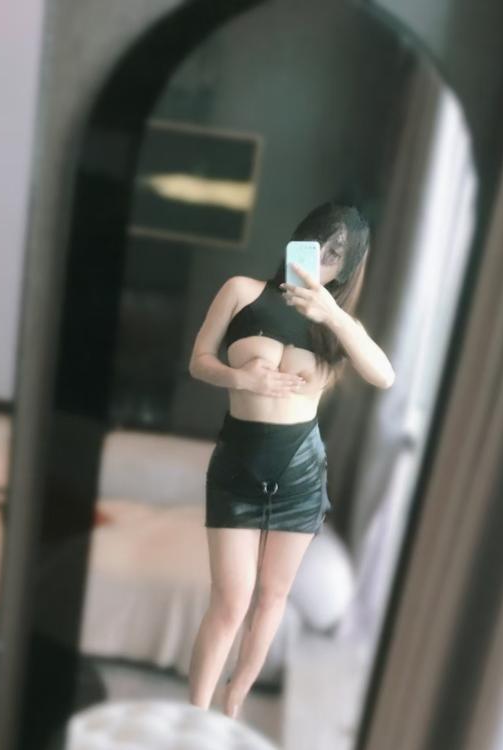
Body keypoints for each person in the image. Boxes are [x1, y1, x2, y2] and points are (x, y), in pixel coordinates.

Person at [187, 202, 395, 719]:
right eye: (318, 242)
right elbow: (199, 362)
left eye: (337, 254)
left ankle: (232, 707)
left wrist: (333, 315)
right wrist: (241, 377)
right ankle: (192, 719)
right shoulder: (241, 291)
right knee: (230, 600)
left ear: (347, 266)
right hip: (237, 465)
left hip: (300, 474)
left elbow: (384, 375)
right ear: (299, 238)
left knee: (271, 598)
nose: (322, 257)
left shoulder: (336, 326)